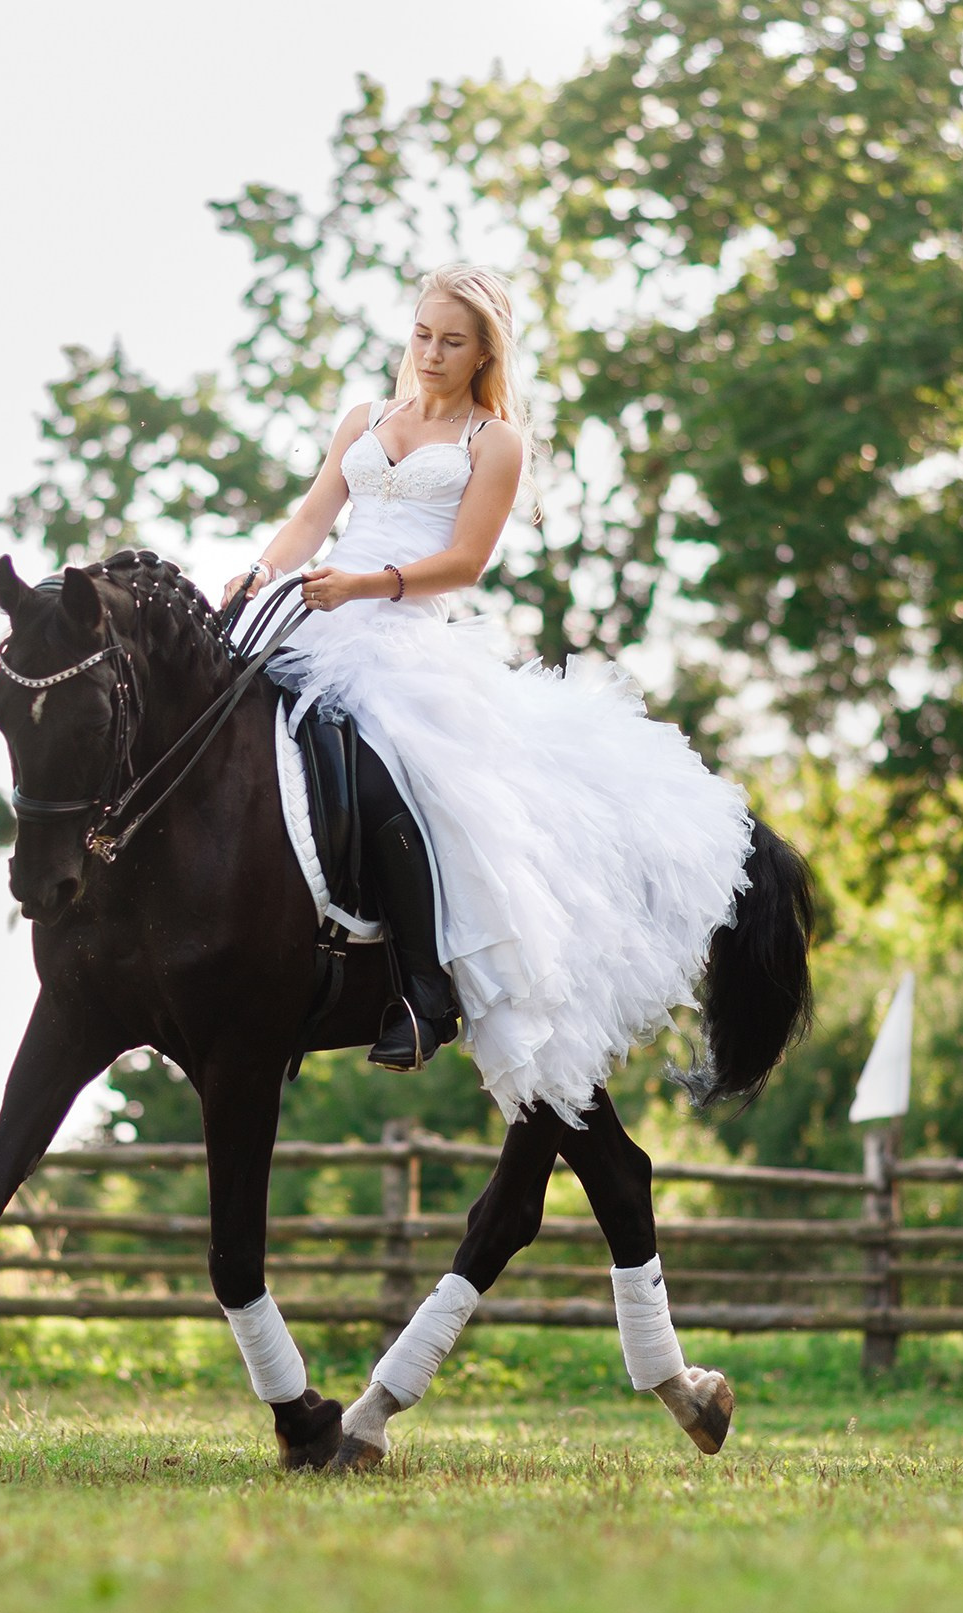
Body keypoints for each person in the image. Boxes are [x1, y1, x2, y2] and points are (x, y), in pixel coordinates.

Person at [223, 263, 754, 1127]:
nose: (431, 353)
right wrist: (259, 573)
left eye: (453, 342)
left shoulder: (492, 441)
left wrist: (362, 586)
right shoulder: (365, 419)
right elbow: (313, 515)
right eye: (423, 335)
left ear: (483, 355)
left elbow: (465, 562)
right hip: (316, 609)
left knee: (407, 772)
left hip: (398, 630)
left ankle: (420, 987)